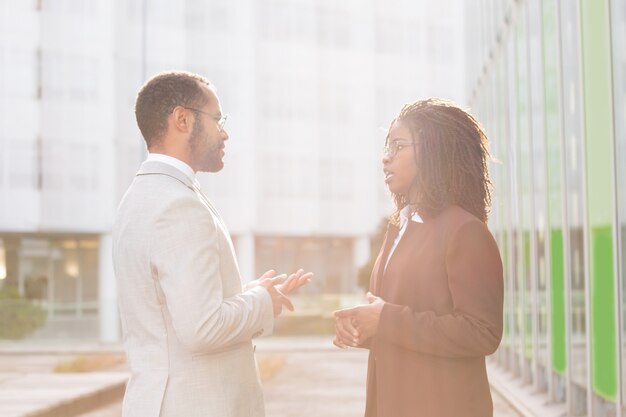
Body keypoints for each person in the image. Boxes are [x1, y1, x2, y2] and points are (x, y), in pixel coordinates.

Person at [112, 71, 312, 417]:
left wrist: (249, 292)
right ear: (182, 119)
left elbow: (173, 309)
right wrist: (263, 301)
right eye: (217, 119)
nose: (225, 132)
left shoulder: (139, 197)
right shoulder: (178, 205)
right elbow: (202, 329)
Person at [334, 98, 503, 417]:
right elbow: (407, 321)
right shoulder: (399, 227)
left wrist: (385, 319)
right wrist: (367, 328)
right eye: (387, 147)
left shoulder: (465, 231)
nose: (386, 158)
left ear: (434, 150)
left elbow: (482, 333)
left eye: (398, 146)